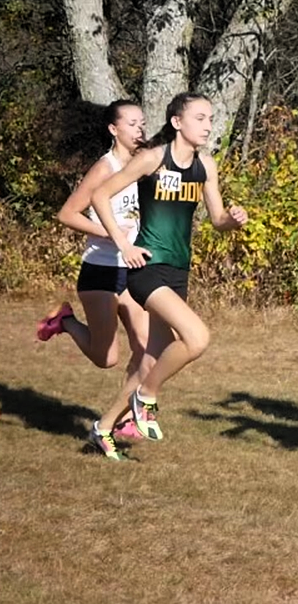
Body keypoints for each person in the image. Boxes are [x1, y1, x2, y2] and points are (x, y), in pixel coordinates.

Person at [86, 92, 248, 460]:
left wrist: (232, 221)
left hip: (178, 271)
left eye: (210, 118)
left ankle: (103, 427)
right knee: (197, 338)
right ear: (177, 122)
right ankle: (147, 396)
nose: (208, 125)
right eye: (200, 118)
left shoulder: (206, 166)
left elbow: (217, 219)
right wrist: (123, 245)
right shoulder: (152, 159)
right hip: (147, 269)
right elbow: (100, 196)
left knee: (148, 360)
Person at [36, 100, 150, 439]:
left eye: (142, 123)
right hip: (100, 271)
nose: (139, 129)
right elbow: (68, 213)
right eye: (132, 123)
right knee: (107, 358)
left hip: (132, 270)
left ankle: (129, 417)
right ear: (114, 130)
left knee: (147, 348)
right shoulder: (105, 167)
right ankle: (65, 321)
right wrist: (113, 235)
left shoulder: (144, 167)